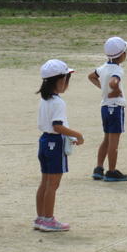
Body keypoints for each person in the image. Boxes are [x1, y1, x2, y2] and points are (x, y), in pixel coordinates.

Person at [35, 59, 84, 231]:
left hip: (44, 141)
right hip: (55, 143)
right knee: (53, 184)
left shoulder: (44, 100)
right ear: (61, 80)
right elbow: (57, 126)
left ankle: (41, 217)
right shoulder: (58, 102)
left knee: (45, 182)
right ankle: (49, 219)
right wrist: (77, 134)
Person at [88, 36, 127, 182]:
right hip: (115, 107)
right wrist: (114, 90)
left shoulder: (103, 67)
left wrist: (103, 89)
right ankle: (111, 171)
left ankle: (99, 168)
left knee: (106, 139)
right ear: (122, 55)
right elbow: (114, 81)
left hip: (105, 107)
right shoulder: (118, 70)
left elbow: (91, 76)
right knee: (114, 142)